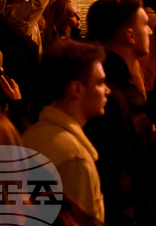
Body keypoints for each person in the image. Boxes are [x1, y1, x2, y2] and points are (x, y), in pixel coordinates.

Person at [83, 0, 156, 226]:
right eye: (145, 25)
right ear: (129, 36)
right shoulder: (109, 95)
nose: (150, 31)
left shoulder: (104, 80)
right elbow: (118, 171)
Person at [21, 39, 111, 221]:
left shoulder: (31, 135)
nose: (107, 90)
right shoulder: (74, 158)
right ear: (76, 89)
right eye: (100, 82)